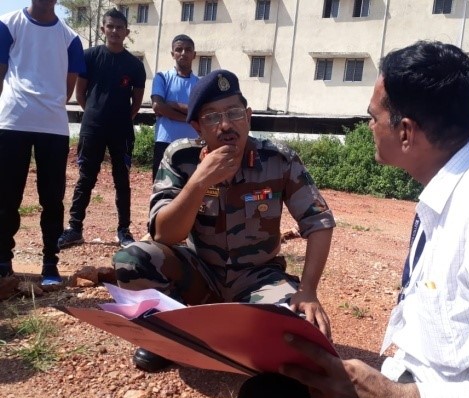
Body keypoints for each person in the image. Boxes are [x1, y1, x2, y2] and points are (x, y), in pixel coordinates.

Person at [230, 41, 469, 398]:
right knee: (267, 396)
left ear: (405, 132)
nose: (369, 127)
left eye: (373, 117)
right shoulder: (454, 192)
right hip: (421, 387)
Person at [112, 69, 336, 372]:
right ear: (196, 126)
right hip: (199, 274)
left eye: (234, 113)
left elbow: (319, 221)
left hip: (258, 278)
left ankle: (239, 331)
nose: (226, 125)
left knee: (303, 332)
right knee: (131, 260)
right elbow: (165, 235)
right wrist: (199, 181)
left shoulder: (278, 160)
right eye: (212, 117)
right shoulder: (180, 159)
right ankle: (166, 335)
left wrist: (308, 290)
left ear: (248, 116)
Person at [0, 0, 85, 286]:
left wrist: (47, 103)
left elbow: (67, 87)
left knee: (52, 200)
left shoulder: (70, 39)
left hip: (53, 127)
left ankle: (50, 263)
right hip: (12, 122)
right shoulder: (7, 25)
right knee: (6, 197)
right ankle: (3, 261)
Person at [57, 8, 146, 250]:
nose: (115, 31)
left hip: (121, 131)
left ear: (127, 32)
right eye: (111, 26)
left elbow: (137, 102)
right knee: (86, 178)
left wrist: (122, 119)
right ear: (102, 29)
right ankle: (75, 228)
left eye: (120, 27)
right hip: (92, 128)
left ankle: (124, 231)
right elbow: (80, 94)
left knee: (122, 180)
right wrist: (95, 115)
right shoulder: (89, 57)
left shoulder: (134, 65)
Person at [151, 34, 199, 180]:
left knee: (190, 187)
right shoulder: (162, 77)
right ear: (173, 54)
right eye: (179, 49)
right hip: (165, 142)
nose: (183, 53)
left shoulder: (200, 84)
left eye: (188, 50)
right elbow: (158, 106)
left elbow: (201, 111)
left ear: (194, 54)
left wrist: (173, 105)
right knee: (161, 186)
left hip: (192, 144)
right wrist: (189, 119)